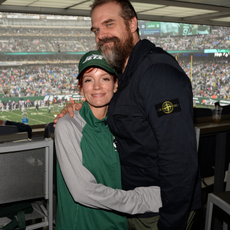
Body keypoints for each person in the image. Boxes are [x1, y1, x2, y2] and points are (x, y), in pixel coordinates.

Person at [54, 0, 201, 229]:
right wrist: (71, 112)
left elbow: (179, 157)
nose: (101, 35)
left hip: (161, 209)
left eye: (109, 24)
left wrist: (172, 220)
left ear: (133, 23)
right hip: (136, 209)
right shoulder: (126, 73)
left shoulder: (156, 73)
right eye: (96, 30)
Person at [55, 50, 162, 230]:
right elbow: (83, 192)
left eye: (104, 78)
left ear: (115, 84)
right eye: (89, 80)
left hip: (118, 224)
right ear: (81, 88)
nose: (97, 86)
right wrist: (145, 199)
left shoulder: (123, 125)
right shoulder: (68, 126)